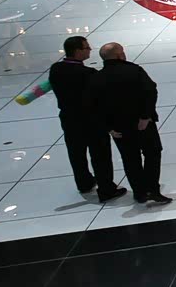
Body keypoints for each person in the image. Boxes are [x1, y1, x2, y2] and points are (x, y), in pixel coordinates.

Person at [88, 42, 168, 205]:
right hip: (142, 123)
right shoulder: (134, 70)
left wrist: (108, 128)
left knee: (130, 158)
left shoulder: (96, 78)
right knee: (152, 153)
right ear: (119, 55)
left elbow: (93, 106)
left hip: (118, 127)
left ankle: (139, 192)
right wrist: (145, 117)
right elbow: (150, 91)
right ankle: (152, 189)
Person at [50, 37, 122, 200]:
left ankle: (84, 183)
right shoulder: (88, 74)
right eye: (87, 47)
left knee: (76, 153)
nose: (90, 50)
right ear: (77, 51)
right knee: (100, 155)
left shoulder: (56, 69)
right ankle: (106, 188)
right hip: (91, 120)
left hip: (69, 118)